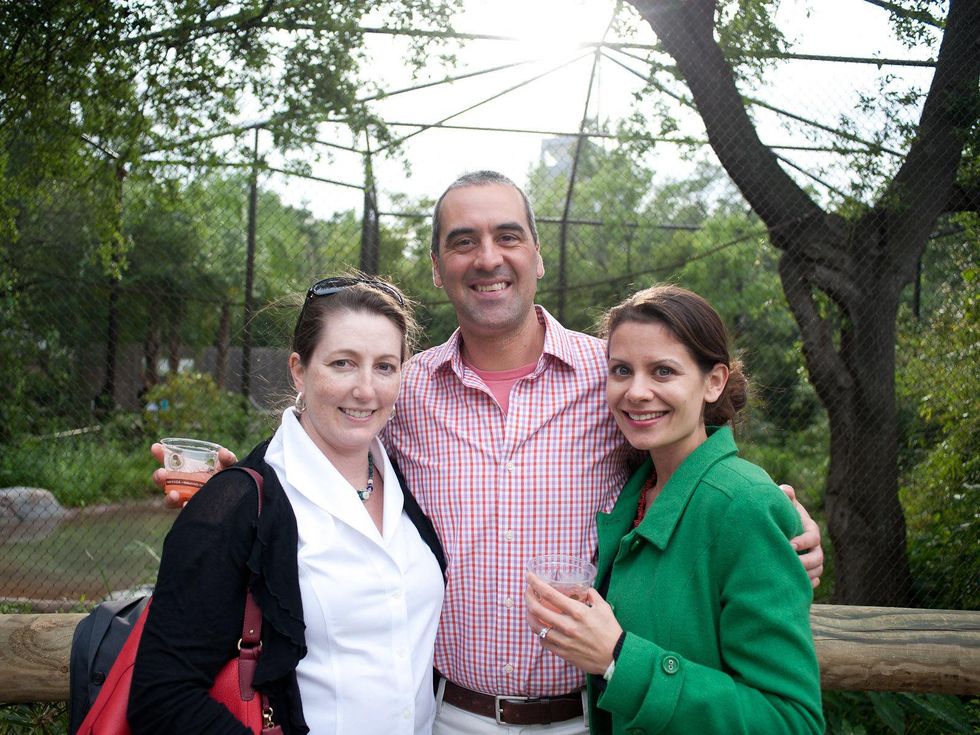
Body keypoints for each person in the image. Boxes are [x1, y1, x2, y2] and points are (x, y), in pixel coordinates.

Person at [153, 171, 824, 733]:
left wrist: (780, 521)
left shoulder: (614, 376)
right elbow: (323, 432)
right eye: (463, 241)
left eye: (508, 236)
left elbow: (694, 462)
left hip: (592, 712)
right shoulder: (401, 386)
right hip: (446, 715)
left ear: (537, 255)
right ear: (440, 267)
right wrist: (235, 484)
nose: (488, 257)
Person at [131, 276, 446, 734]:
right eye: (342, 363)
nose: (365, 389)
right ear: (298, 369)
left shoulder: (406, 479)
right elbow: (161, 697)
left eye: (384, 366)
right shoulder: (238, 503)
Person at [524, 284, 824, 734]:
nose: (637, 392)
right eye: (622, 370)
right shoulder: (635, 491)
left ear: (714, 381)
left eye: (663, 371)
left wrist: (618, 659)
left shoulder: (743, 504)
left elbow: (791, 721)